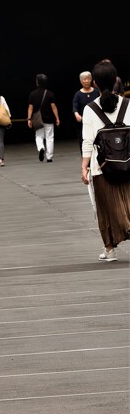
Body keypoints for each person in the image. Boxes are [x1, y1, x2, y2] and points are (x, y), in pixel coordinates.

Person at [81, 59, 130, 262]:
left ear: (96, 84)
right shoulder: (128, 105)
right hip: (128, 164)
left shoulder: (90, 109)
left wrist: (84, 167)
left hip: (102, 168)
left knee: (105, 209)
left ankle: (110, 251)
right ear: (115, 80)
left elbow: (88, 141)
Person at [27, 74, 60, 162]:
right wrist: (57, 118)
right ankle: (49, 157)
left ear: (37, 82)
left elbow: (30, 107)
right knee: (50, 137)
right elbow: (53, 107)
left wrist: (29, 119)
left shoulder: (32, 94)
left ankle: (41, 147)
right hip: (49, 119)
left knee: (39, 136)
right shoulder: (50, 94)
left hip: (38, 120)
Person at [72, 71, 98, 150]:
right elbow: (75, 106)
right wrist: (77, 115)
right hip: (84, 122)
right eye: (84, 79)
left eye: (88, 78)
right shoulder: (78, 94)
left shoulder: (97, 92)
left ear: (91, 79)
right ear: (81, 81)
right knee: (84, 142)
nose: (86, 81)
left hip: (96, 121)